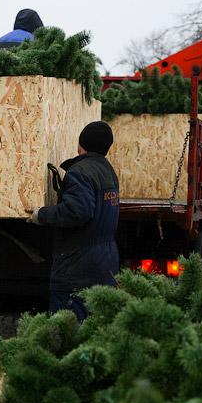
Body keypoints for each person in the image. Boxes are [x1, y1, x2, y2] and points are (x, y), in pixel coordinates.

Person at [26, 121, 120, 321]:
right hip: (105, 265)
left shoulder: (80, 172)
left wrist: (41, 215)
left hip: (77, 268)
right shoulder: (108, 171)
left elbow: (78, 212)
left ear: (80, 144)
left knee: (66, 333)